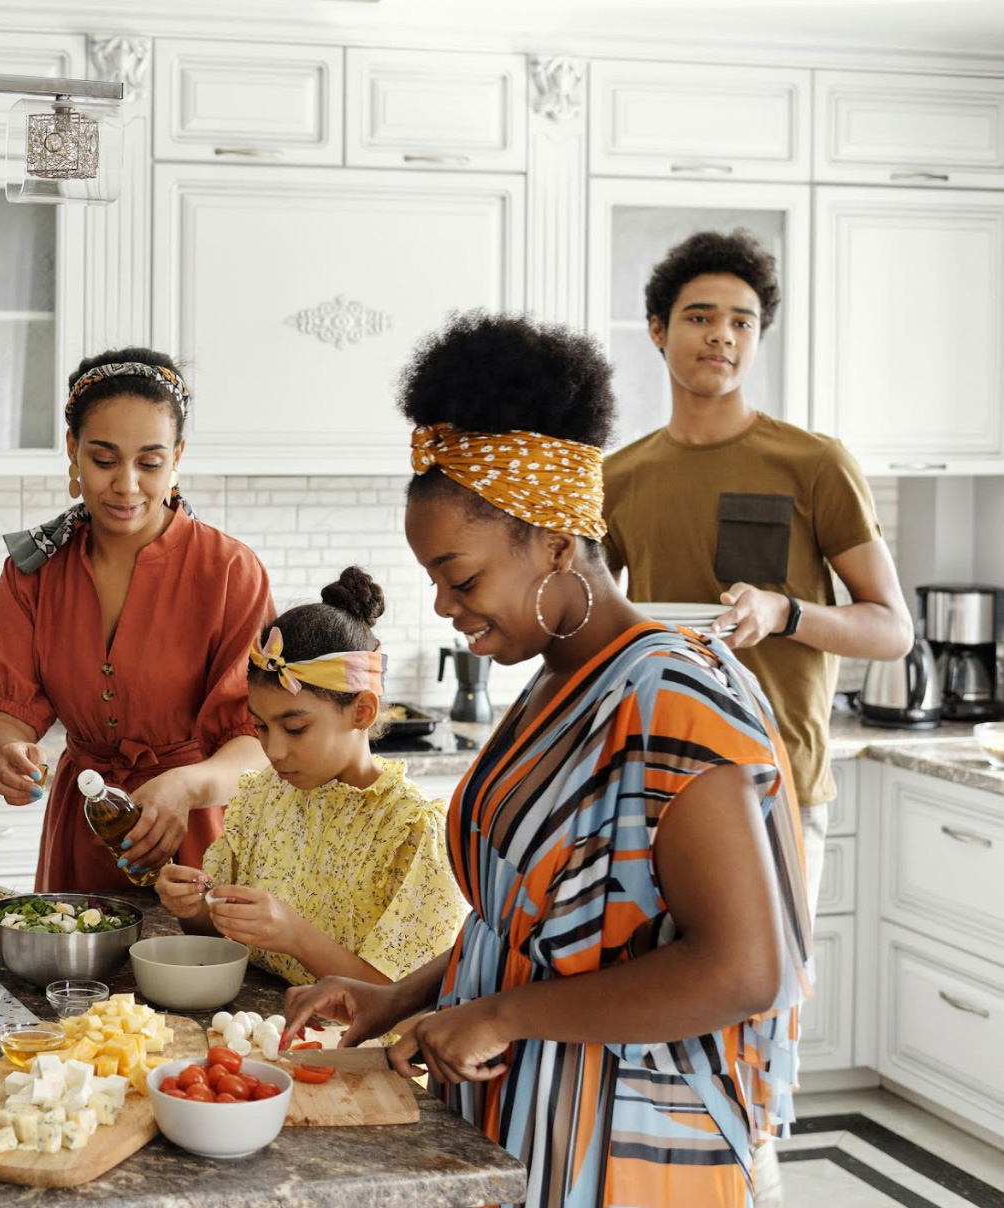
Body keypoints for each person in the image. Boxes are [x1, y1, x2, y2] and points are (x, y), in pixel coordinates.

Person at [285, 313, 811, 1208]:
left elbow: (744, 970)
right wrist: (404, 997)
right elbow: (525, 923)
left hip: (629, 1142)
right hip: (523, 1112)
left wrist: (498, 1014)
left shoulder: (672, 700)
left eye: (462, 577)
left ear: (559, 544)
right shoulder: (555, 679)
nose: (447, 607)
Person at [604, 229, 912, 911]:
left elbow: (893, 630)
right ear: (657, 330)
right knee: (655, 1007)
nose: (722, 336)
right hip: (657, 778)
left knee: (768, 1006)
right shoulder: (618, 478)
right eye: (700, 317)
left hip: (776, 779)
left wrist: (785, 612)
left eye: (741, 321)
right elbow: (590, 621)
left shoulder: (814, 463)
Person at [0, 349, 273, 893]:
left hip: (200, 835)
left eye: (150, 462)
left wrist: (184, 788)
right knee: (73, 976)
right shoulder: (32, 574)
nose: (127, 485)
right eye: (105, 459)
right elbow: (7, 710)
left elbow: (257, 742)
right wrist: (7, 754)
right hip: (81, 829)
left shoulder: (230, 572)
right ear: (73, 451)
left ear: (178, 456)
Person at [155, 566, 467, 989]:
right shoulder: (261, 798)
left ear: (363, 711)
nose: (273, 750)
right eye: (260, 727)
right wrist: (192, 908)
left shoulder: (412, 833)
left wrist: (295, 936)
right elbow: (221, 935)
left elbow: (398, 1001)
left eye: (295, 728)